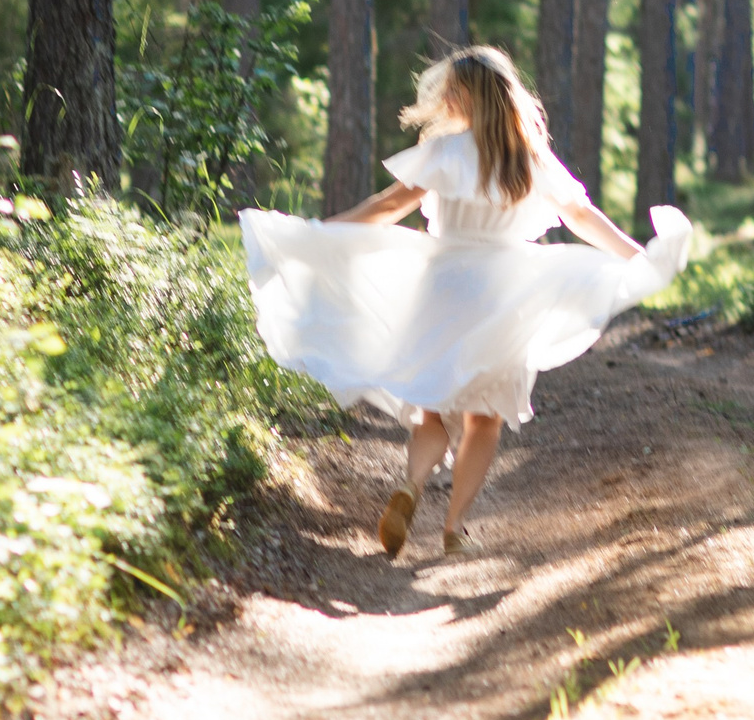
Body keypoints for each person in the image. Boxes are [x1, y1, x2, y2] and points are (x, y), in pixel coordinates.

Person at [240, 45, 693, 558]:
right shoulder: (532, 160)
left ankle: (411, 486)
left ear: (463, 97)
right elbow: (582, 217)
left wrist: (321, 233)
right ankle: (454, 525)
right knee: (485, 417)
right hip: (505, 294)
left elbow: (387, 207)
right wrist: (638, 257)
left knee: (430, 410)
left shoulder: (444, 152)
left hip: (442, 284)